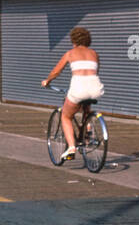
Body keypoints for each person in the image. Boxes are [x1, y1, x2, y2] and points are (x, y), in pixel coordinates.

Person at [41, 27, 104, 163]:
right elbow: (95, 71)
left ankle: (71, 148)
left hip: (78, 89)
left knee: (66, 115)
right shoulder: (94, 54)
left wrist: (48, 81)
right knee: (85, 105)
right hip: (95, 88)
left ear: (73, 40)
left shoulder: (70, 53)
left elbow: (56, 72)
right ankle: (88, 130)